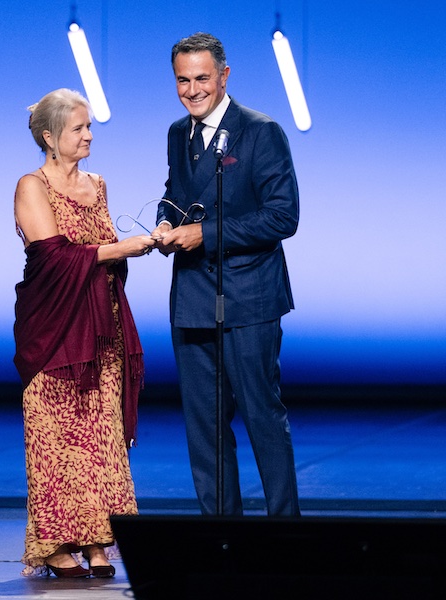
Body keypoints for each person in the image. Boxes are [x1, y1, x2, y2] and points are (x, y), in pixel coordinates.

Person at [152, 33, 301, 516]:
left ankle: (286, 535)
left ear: (224, 76)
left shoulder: (261, 131)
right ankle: (222, 543)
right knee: (205, 427)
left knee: (262, 416)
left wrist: (206, 235)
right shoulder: (179, 133)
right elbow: (176, 192)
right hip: (194, 298)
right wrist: (166, 221)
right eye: (183, 80)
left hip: (249, 298)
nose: (192, 90)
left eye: (202, 79)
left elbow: (284, 216)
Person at [12, 89, 155, 578]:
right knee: (56, 440)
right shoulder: (31, 186)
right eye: (78, 128)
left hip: (101, 329)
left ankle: (98, 539)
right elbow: (53, 258)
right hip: (55, 331)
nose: (89, 135)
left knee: (101, 437)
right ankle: (55, 544)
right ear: (51, 137)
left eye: (89, 126)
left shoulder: (98, 183)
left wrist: (134, 247)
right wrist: (119, 250)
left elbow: (103, 252)